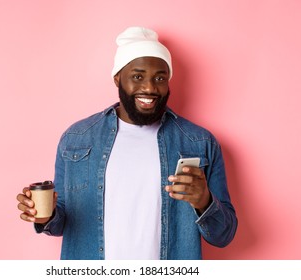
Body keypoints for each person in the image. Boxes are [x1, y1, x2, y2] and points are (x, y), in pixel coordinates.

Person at [16, 26, 237, 260]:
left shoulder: (199, 142)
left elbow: (224, 235)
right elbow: (61, 222)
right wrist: (45, 216)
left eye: (160, 78)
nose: (150, 87)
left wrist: (204, 201)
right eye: (137, 76)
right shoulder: (77, 138)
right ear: (117, 78)